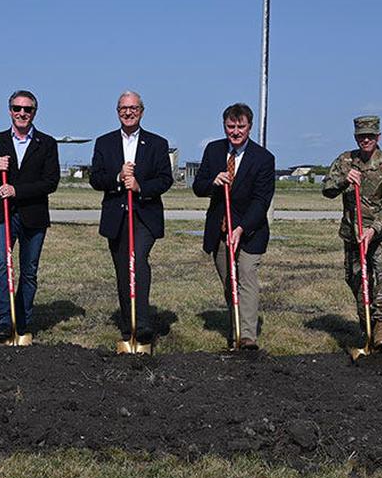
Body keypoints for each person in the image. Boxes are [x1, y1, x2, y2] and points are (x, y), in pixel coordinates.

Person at [0, 90, 59, 342]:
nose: (22, 113)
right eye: (17, 108)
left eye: (27, 109)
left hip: (34, 216)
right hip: (3, 214)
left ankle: (23, 319)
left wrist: (16, 190)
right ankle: (4, 319)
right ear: (9, 110)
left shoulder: (46, 143)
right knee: (1, 263)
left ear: (34, 112)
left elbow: (50, 182)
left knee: (29, 270)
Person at [89, 91, 173, 346]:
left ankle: (144, 323)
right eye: (123, 108)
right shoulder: (104, 143)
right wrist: (117, 178)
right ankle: (129, 327)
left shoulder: (157, 143)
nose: (128, 112)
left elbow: (165, 179)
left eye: (133, 108)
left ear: (142, 111)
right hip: (117, 216)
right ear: (117, 112)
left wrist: (139, 187)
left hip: (144, 215)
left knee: (137, 261)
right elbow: (96, 179)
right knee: (123, 270)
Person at [192, 103, 275, 350]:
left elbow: (261, 201)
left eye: (241, 126)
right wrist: (213, 182)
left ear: (249, 126)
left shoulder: (263, 159)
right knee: (230, 283)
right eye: (231, 126)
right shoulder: (214, 150)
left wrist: (241, 229)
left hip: (251, 231)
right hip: (220, 229)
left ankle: (247, 337)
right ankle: (235, 329)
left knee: (246, 275)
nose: (235, 131)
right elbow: (198, 187)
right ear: (224, 126)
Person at [322, 115, 382, 352]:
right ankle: (366, 327)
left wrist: (373, 229)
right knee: (357, 281)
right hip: (353, 234)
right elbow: (326, 189)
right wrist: (342, 180)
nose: (365, 139)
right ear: (355, 136)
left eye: (370, 135)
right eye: (361, 136)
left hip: (381, 235)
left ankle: (381, 326)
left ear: (378, 136)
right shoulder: (345, 160)